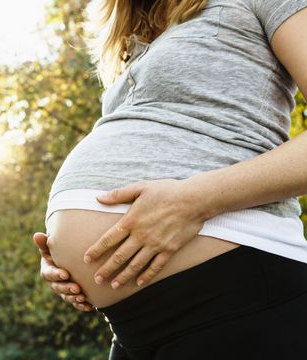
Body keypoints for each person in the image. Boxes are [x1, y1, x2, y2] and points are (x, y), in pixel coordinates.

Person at [33, 0, 307, 358]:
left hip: (237, 293)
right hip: (131, 326)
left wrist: (194, 201)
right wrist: (65, 255)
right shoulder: (137, 38)